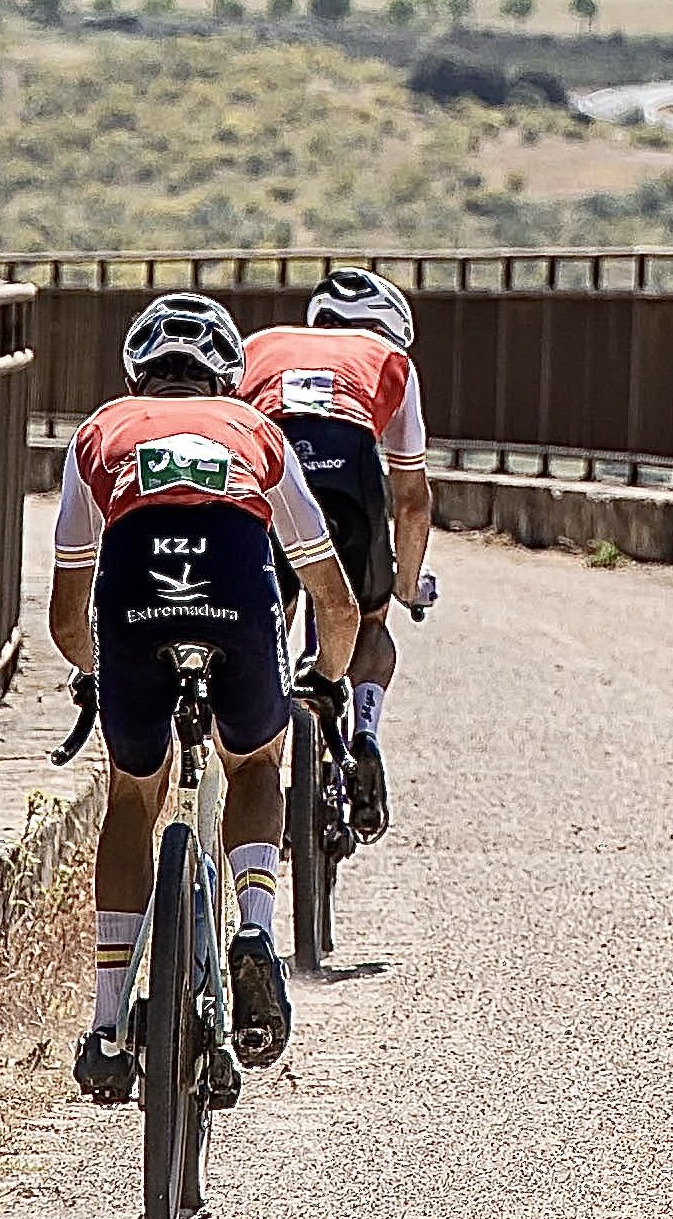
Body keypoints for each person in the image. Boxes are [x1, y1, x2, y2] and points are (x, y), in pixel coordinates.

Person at [51, 290, 366, 1104]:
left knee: (132, 796)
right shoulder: (259, 432)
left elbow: (64, 612)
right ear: (227, 374)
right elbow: (334, 600)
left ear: (135, 371)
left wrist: (95, 671)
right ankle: (256, 930)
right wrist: (326, 681)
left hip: (131, 597)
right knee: (256, 762)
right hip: (234, 585)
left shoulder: (97, 432)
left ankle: (107, 1024)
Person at [235, 266, 432, 837]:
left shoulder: (258, 346)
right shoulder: (390, 361)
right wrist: (402, 582)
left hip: (273, 460)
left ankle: (263, 748)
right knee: (368, 623)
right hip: (351, 469)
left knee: (274, 611)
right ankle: (365, 733)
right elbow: (412, 498)